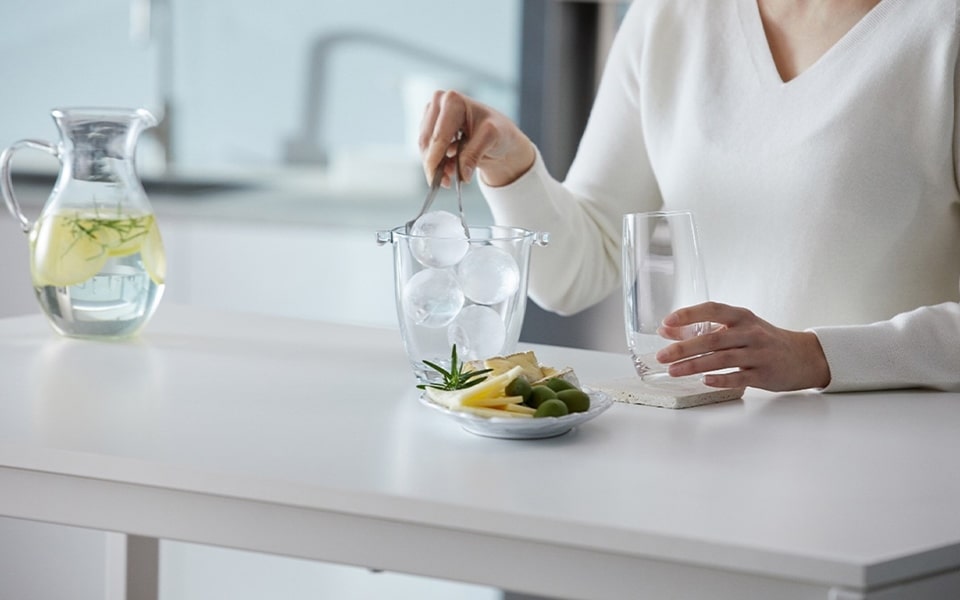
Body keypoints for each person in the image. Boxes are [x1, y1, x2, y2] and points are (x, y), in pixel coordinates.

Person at [418, 0, 960, 393]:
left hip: (898, 475)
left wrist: (819, 356)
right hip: (711, 454)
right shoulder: (668, 18)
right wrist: (512, 165)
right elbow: (572, 273)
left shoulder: (941, 30)